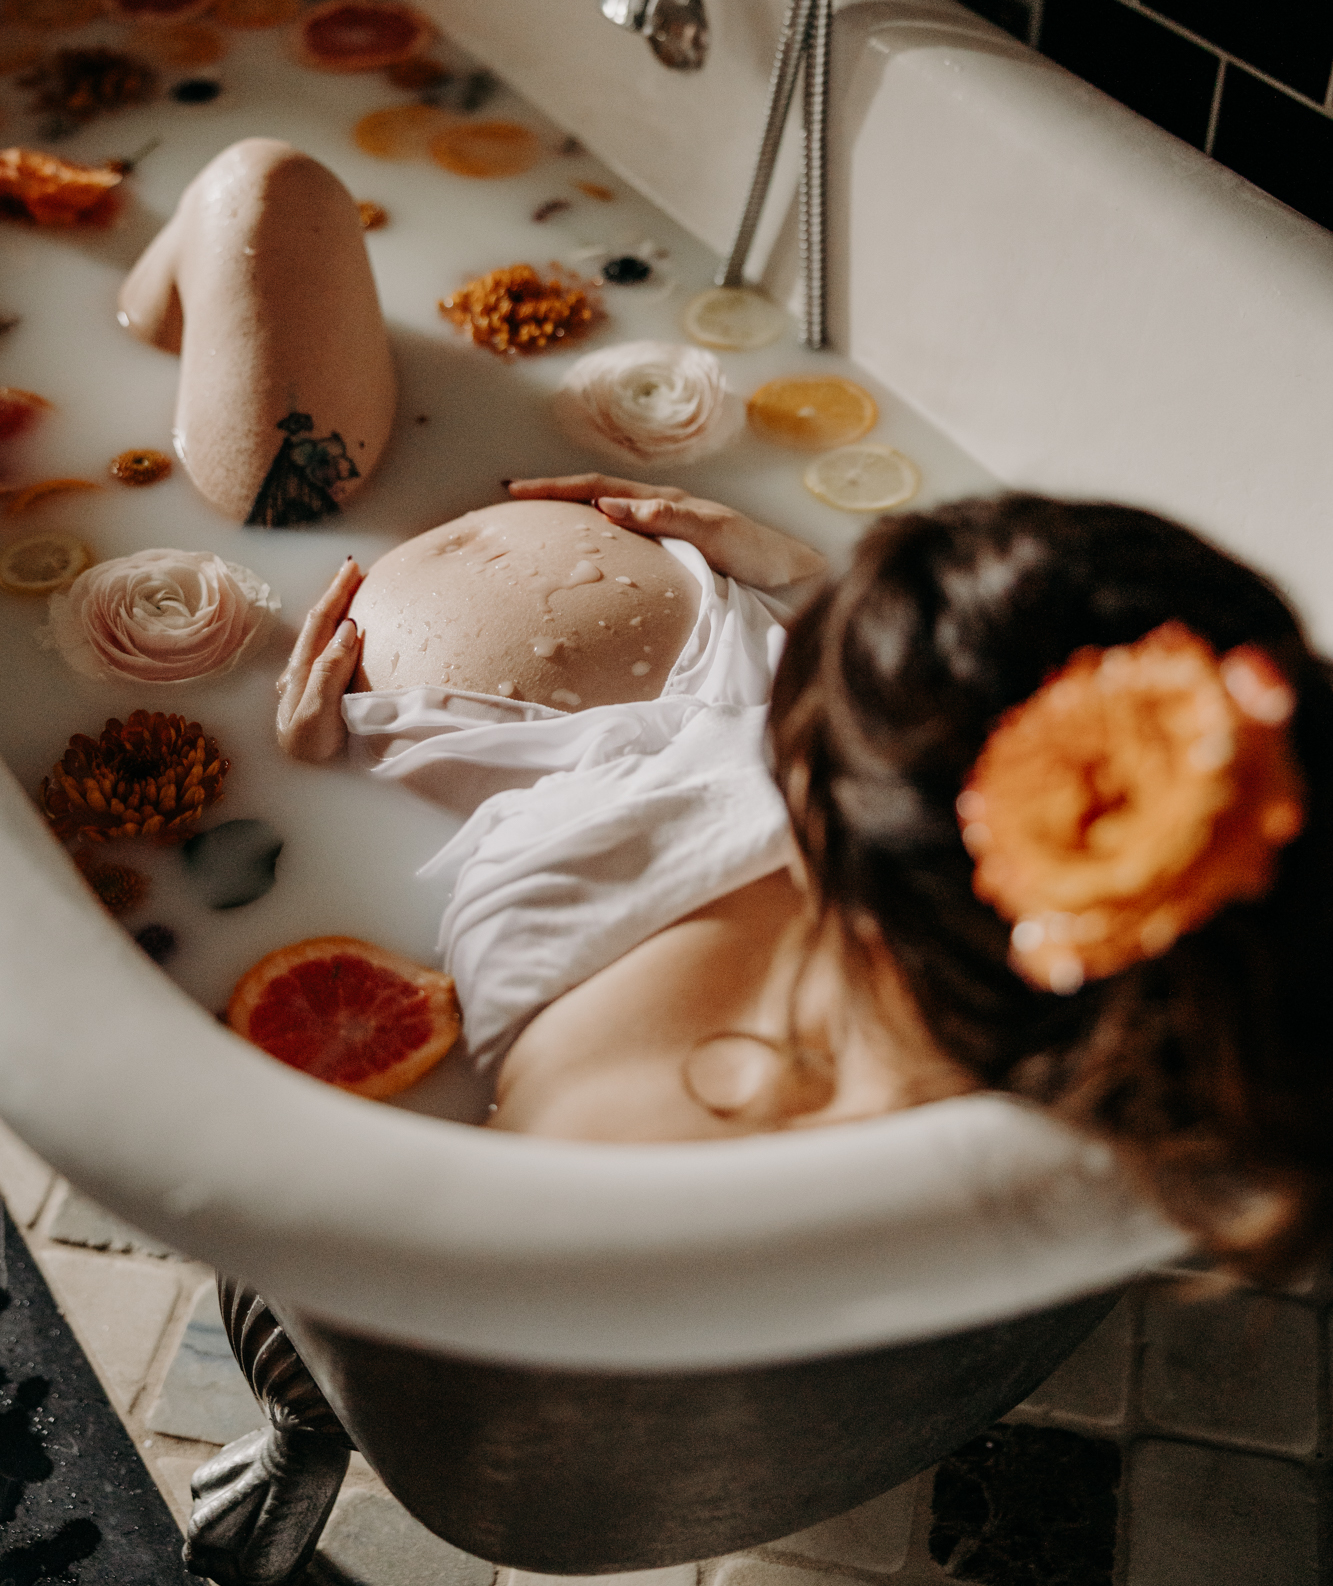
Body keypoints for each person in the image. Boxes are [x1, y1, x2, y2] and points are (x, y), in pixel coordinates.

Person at [281, 475, 1333, 1285]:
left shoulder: (595, 1124)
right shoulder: (1170, 1030)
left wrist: (324, 771)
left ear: (807, 837)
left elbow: (394, 1264)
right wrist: (796, 582)